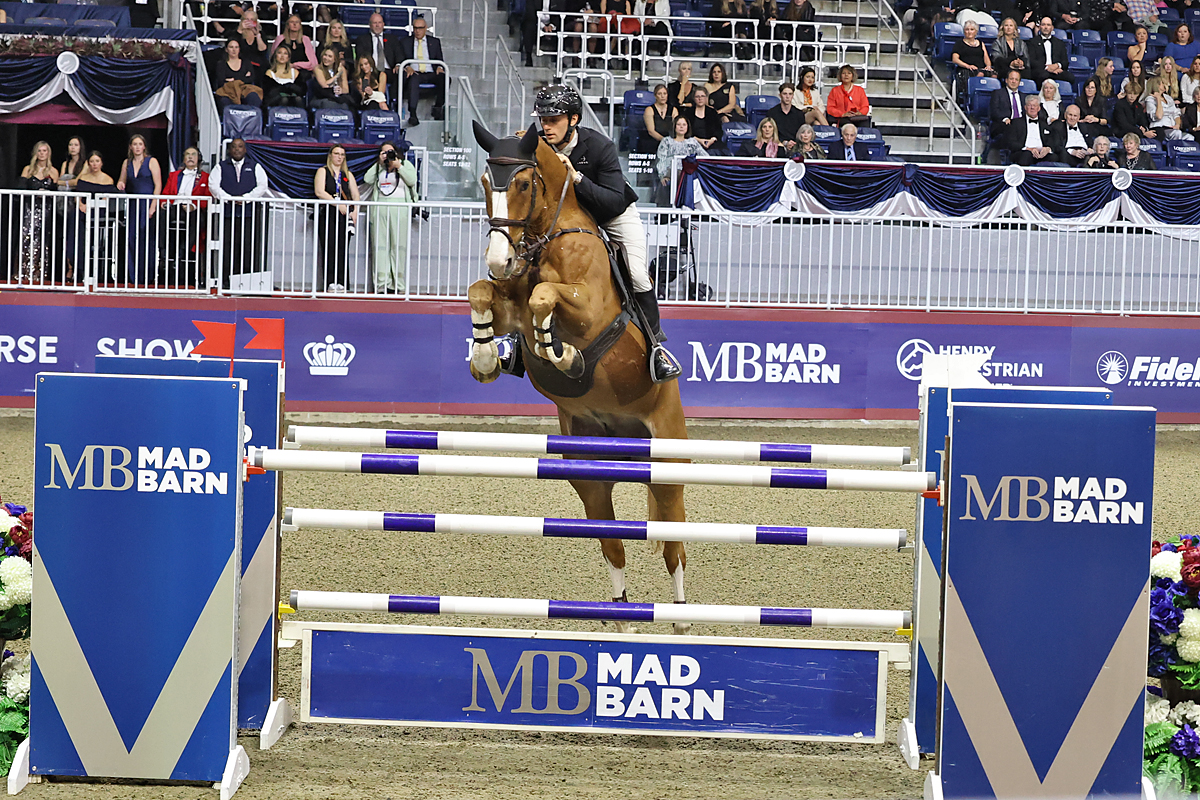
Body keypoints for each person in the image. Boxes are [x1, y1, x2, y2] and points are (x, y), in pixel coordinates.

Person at [532, 84, 682, 381]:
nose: (546, 127)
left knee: (637, 273)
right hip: (567, 221)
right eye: (543, 120)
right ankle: (512, 343)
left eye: (553, 120)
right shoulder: (539, 146)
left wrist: (575, 176)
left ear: (573, 119)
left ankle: (656, 349)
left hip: (612, 214)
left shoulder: (600, 146)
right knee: (526, 265)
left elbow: (613, 200)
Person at [209, 138, 269, 289]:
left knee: (248, 247)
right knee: (228, 247)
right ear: (230, 150)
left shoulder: (255, 166)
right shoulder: (221, 167)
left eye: (240, 147)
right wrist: (228, 198)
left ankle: (247, 282)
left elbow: (262, 185)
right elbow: (213, 185)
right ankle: (226, 281)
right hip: (228, 214)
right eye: (234, 147)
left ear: (245, 149)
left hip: (249, 215)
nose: (237, 149)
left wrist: (247, 198)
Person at [362, 141, 416, 294]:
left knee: (398, 246)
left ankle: (398, 284)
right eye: (383, 152)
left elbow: (412, 180)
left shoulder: (405, 164)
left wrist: (399, 166)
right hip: (380, 209)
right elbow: (367, 179)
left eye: (390, 152)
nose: (387, 155)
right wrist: (379, 163)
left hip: (400, 209)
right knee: (380, 246)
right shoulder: (379, 168)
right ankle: (381, 284)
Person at [159, 147, 210, 287]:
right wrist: (164, 203)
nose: (190, 157)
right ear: (183, 158)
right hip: (175, 206)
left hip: (193, 208)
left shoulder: (205, 177)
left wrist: (194, 205)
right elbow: (165, 194)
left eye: (193, 154)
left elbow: (207, 197)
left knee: (198, 218)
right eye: (187, 154)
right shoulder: (174, 175)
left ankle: (184, 251)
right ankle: (163, 252)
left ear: (198, 158)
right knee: (161, 215)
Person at [116, 134, 162, 286]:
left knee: (146, 239)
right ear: (130, 146)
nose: (137, 147)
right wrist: (121, 184)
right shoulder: (126, 163)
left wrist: (153, 205)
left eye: (139, 144)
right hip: (132, 204)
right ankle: (133, 275)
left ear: (144, 146)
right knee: (130, 238)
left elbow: (158, 185)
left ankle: (146, 276)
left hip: (146, 203)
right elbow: (121, 180)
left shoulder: (152, 161)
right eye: (134, 144)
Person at [314, 144, 359, 292]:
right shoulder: (323, 171)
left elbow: (355, 195)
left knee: (342, 248)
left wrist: (355, 210)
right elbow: (320, 191)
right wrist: (337, 204)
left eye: (342, 154)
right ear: (330, 155)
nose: (339, 157)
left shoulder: (347, 174)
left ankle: (343, 282)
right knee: (329, 247)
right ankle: (330, 282)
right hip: (329, 213)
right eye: (336, 153)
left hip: (345, 215)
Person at [69, 151, 116, 284]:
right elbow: (78, 195)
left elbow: (108, 200)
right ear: (88, 163)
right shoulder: (83, 177)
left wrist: (92, 206)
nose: (94, 164)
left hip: (99, 212)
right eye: (92, 161)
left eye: (97, 161)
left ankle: (98, 271)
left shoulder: (108, 179)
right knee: (74, 217)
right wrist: (81, 205)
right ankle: (77, 266)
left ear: (101, 163)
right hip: (83, 211)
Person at [16, 141, 59, 284]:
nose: (42, 153)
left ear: (48, 153)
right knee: (27, 236)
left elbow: (56, 192)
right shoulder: (28, 169)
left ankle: (41, 273)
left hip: (46, 209)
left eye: (44, 151)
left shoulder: (53, 171)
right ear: (36, 153)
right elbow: (20, 190)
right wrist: (34, 192)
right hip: (29, 208)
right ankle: (24, 271)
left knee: (43, 239)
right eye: (39, 151)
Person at [397, 16, 446, 126]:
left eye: (420, 28)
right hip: (415, 72)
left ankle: (438, 107)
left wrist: (439, 67)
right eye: (415, 28)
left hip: (431, 72)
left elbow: (440, 59)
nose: (417, 31)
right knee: (413, 80)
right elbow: (401, 58)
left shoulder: (435, 42)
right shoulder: (405, 42)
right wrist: (407, 66)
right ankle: (413, 113)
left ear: (426, 28)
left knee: (444, 78)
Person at [655, 115, 705, 205]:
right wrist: (663, 176)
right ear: (674, 127)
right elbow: (661, 159)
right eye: (678, 124)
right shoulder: (666, 141)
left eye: (684, 125)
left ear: (688, 127)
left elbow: (704, 157)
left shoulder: (692, 142)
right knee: (665, 186)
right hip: (670, 174)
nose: (681, 127)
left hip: (687, 175)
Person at [1008, 94, 1064, 164]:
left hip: (1041, 154)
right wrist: (1028, 149)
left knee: (1054, 157)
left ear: (1039, 108)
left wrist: (1047, 149)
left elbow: (1053, 142)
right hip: (1024, 152)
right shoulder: (1016, 123)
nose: (1032, 108)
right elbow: (1011, 143)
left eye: (1035, 105)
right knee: (1026, 155)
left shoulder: (1044, 124)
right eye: (1029, 105)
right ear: (1025, 107)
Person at [214, 38, 263, 112]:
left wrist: (233, 79)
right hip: (228, 90)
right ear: (226, 49)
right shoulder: (221, 64)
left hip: (244, 89)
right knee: (224, 100)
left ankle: (251, 119)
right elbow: (221, 81)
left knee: (253, 96)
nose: (234, 50)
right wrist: (243, 77)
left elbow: (251, 78)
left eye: (236, 47)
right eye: (231, 47)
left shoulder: (246, 62)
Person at [952, 20, 995, 99]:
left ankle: (991, 97)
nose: (969, 32)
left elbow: (986, 57)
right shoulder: (959, 43)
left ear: (976, 31)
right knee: (980, 74)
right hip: (966, 69)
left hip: (980, 68)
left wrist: (988, 66)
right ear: (964, 31)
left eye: (972, 29)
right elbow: (955, 59)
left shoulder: (981, 43)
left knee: (993, 74)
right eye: (967, 29)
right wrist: (968, 66)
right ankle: (974, 98)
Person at [229, 9, 269, 78]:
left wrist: (257, 35)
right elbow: (231, 46)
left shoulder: (260, 33)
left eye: (252, 19)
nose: (249, 22)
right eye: (247, 19)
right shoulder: (236, 33)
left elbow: (263, 50)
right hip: (240, 64)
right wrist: (240, 30)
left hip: (257, 65)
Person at [1030, 17, 1068, 87]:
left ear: (1052, 27)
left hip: (1056, 71)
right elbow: (1032, 61)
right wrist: (1048, 68)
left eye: (1048, 25)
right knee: (1043, 75)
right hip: (1041, 71)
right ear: (1040, 27)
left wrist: (1057, 66)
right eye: (1043, 25)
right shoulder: (1032, 42)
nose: (1046, 27)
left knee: (1070, 77)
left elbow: (1065, 62)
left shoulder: (1059, 43)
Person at [311, 45, 353, 109]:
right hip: (321, 98)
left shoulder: (342, 69)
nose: (326, 58)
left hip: (336, 98)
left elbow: (346, 90)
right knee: (329, 104)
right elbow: (325, 85)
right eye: (325, 55)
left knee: (346, 104)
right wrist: (337, 75)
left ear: (334, 59)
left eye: (330, 56)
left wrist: (341, 91)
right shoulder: (318, 68)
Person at [765, 82, 804, 146]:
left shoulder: (799, 114)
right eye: (785, 94)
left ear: (793, 96)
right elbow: (770, 133)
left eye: (790, 94)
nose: (787, 97)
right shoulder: (772, 113)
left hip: (795, 145)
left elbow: (801, 133)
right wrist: (784, 143)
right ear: (780, 95)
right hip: (777, 144)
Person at [687, 87, 724, 152]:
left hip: (711, 143)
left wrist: (711, 140)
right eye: (697, 96)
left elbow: (719, 130)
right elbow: (686, 132)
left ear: (706, 98)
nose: (700, 98)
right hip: (693, 142)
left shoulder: (712, 112)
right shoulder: (688, 112)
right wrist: (699, 140)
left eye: (702, 96)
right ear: (694, 98)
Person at [642, 84, 676, 152]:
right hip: (653, 141)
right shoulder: (649, 110)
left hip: (670, 141)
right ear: (655, 96)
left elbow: (676, 128)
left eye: (664, 93)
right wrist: (665, 141)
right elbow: (651, 131)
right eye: (659, 94)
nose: (662, 96)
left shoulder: (673, 110)